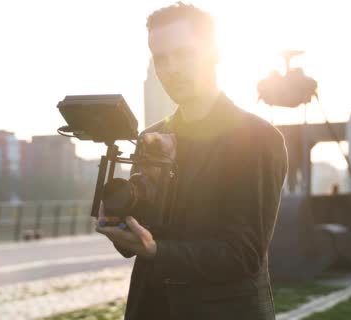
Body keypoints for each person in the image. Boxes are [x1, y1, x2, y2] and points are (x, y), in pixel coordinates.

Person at [95, 3, 288, 319]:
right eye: (160, 58)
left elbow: (244, 254)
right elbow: (140, 237)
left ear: (214, 52)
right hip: (151, 309)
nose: (170, 68)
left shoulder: (257, 137)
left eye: (183, 54)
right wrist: (120, 225)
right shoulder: (151, 137)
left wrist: (157, 250)